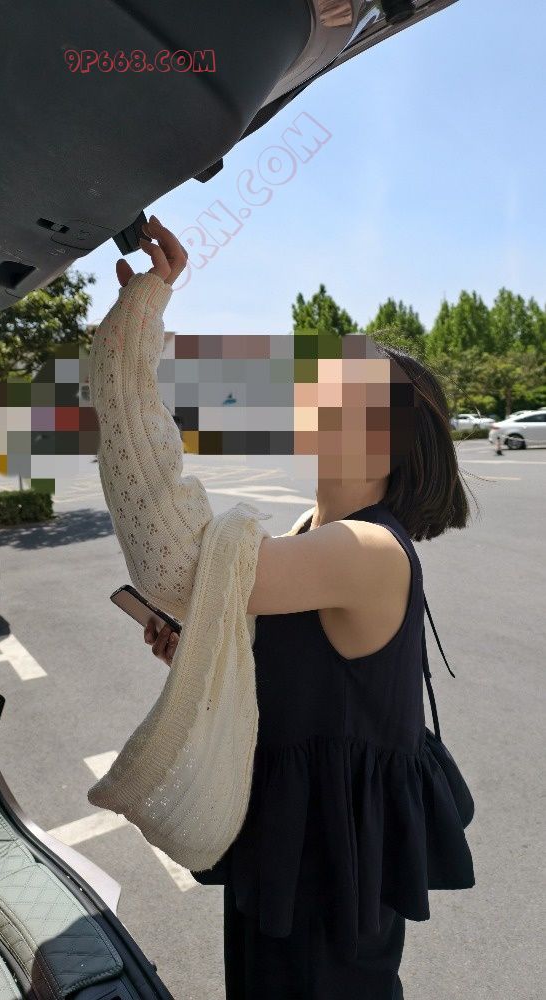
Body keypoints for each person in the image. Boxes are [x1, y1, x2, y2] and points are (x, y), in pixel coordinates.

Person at [141, 220, 477, 999]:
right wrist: (201, 647)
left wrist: (138, 333)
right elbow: (279, 658)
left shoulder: (366, 548)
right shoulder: (307, 529)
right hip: (285, 837)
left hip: (325, 864)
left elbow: (176, 559)